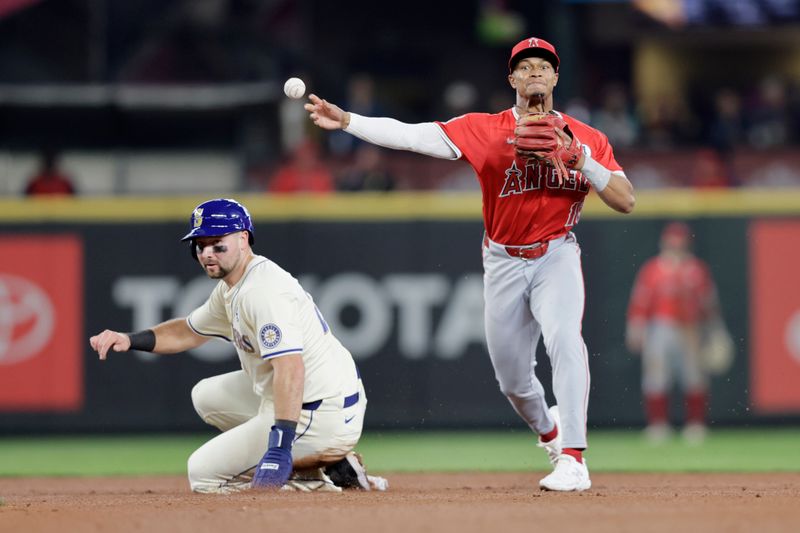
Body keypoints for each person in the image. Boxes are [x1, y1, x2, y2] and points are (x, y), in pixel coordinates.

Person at [305, 37, 635, 491]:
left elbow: (626, 199)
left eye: (544, 66)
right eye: (525, 66)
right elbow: (412, 135)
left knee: (564, 338)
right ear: (512, 79)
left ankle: (575, 459)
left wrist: (583, 161)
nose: (535, 72)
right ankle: (552, 434)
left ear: (556, 77)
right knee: (513, 380)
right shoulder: (485, 129)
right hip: (502, 259)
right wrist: (348, 121)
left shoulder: (588, 138)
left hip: (557, 252)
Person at [89, 198, 387, 493]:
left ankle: (311, 481)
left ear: (243, 239)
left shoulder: (262, 292)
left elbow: (290, 368)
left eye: (218, 243)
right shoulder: (233, 285)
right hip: (321, 396)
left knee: (203, 475)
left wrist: (280, 446)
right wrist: (129, 339)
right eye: (200, 244)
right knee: (206, 395)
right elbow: (187, 332)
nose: (207, 253)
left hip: (320, 412)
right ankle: (325, 464)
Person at [625, 222, 724, 444]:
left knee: (694, 376)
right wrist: (636, 328)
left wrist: (715, 330)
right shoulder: (653, 269)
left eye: (679, 244)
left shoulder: (696, 270)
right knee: (656, 376)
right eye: (672, 244)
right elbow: (640, 301)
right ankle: (658, 425)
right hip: (660, 326)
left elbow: (709, 303)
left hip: (690, 328)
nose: (675, 248)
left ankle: (696, 425)